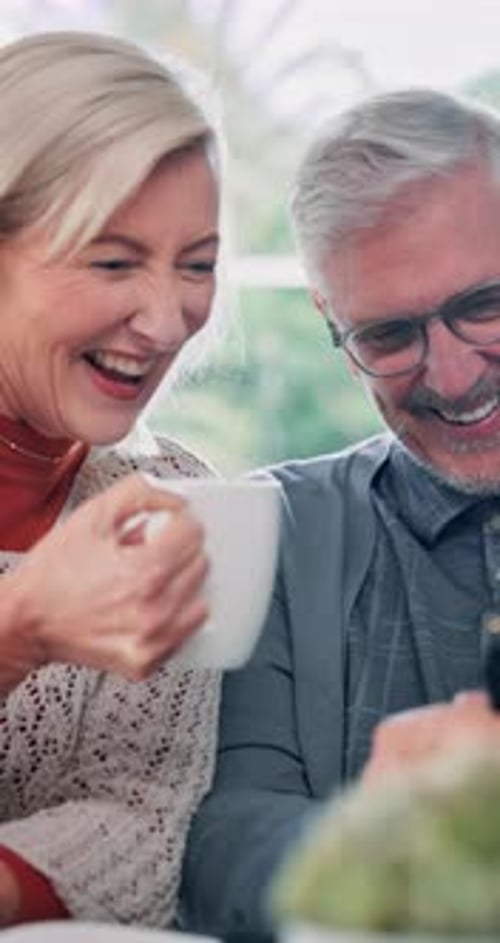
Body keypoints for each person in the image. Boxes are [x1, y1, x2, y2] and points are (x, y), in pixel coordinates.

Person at [181, 87, 500, 941]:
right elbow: (219, 841)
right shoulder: (277, 531)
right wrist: (398, 838)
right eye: (389, 336)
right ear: (332, 326)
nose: (453, 376)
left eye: (483, 304)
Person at [0, 29, 224, 928]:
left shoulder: (174, 493)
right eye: (114, 260)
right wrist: (17, 631)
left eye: (197, 265)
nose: (167, 322)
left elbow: (143, 812)